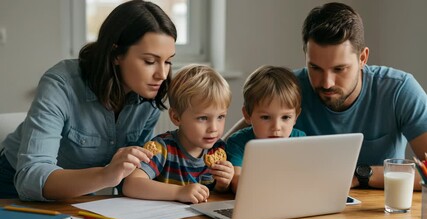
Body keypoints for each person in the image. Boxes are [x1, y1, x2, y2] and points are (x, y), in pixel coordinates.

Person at [226, 2, 427, 190]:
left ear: (363, 58)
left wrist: (360, 175)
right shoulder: (289, 90)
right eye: (315, 68)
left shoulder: (399, 90)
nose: (326, 82)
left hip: (380, 213)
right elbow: (221, 149)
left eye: (340, 69)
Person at [0, 0, 177, 201]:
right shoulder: (61, 83)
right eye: (150, 61)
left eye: (168, 61)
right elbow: (30, 179)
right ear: (115, 54)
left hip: (79, 194)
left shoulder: (149, 94)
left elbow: (133, 174)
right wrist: (106, 174)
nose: (162, 74)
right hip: (12, 189)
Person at [122, 64, 234, 204]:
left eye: (220, 117)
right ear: (176, 117)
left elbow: (215, 195)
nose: (214, 128)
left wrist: (222, 184)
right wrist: (179, 192)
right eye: (203, 118)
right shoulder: (162, 148)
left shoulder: (218, 149)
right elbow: (131, 185)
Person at [226, 66, 305, 192]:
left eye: (285, 117)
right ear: (247, 115)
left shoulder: (301, 140)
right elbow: (236, 182)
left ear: (296, 117)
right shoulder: (238, 143)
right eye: (266, 117)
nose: (276, 127)